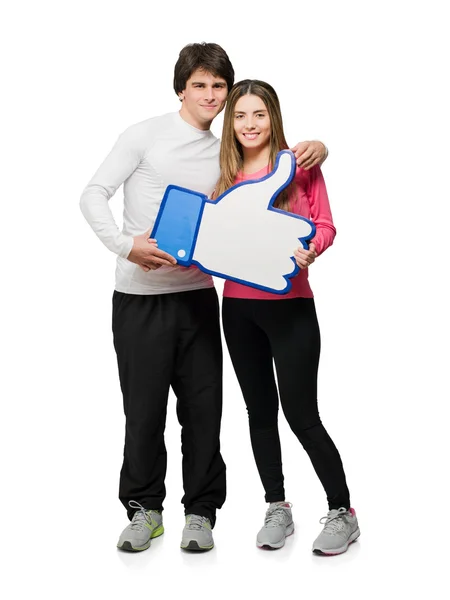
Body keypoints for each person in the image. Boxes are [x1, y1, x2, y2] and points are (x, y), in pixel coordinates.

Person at [79, 43, 328, 553]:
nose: (211, 95)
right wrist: (127, 245)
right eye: (200, 85)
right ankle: (144, 510)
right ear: (180, 89)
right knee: (143, 411)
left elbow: (265, 168)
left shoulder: (226, 152)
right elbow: (92, 194)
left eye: (219, 86)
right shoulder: (144, 135)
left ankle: (200, 512)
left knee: (203, 411)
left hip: (198, 297)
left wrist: (317, 147)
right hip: (139, 296)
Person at [218, 79, 360, 555]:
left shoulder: (299, 164)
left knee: (301, 414)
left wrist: (312, 249)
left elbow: (325, 223)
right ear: (229, 122)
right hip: (237, 310)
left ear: (273, 117)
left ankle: (342, 512)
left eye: (259, 114)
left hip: (292, 307)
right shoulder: (225, 171)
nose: (249, 124)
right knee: (260, 412)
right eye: (240, 115)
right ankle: (277, 506)